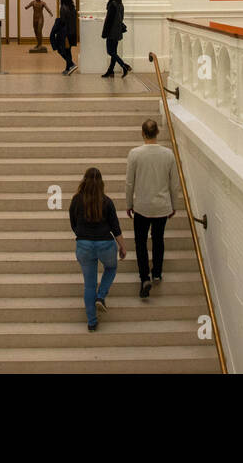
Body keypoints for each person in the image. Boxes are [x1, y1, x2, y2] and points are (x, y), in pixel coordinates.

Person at [126, 118, 183, 298]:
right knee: (158, 239)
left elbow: (129, 183)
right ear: (157, 133)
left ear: (143, 133)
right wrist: (174, 204)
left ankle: (145, 277)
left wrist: (129, 204)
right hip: (161, 206)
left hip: (142, 206)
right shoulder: (168, 154)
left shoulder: (134, 154)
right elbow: (174, 184)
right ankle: (157, 272)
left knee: (140, 242)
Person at [69, 167, 126, 331]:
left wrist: (82, 236)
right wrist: (122, 246)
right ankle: (101, 296)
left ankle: (92, 322)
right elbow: (116, 228)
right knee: (111, 267)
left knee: (89, 285)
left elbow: (73, 224)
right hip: (105, 244)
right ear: (101, 183)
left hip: (84, 244)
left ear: (83, 181)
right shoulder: (107, 201)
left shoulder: (76, 200)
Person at [101, 0, 130, 78]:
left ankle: (124, 66)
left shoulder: (112, 5)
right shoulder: (120, 4)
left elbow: (108, 21)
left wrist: (104, 33)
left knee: (110, 52)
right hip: (117, 32)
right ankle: (110, 71)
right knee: (114, 51)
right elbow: (121, 18)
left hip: (111, 32)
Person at [51, 0, 79, 75]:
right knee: (68, 50)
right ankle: (68, 69)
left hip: (65, 33)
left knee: (60, 50)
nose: (59, 0)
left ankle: (71, 64)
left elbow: (63, 21)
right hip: (72, 32)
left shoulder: (63, 8)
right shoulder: (73, 8)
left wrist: (57, 24)